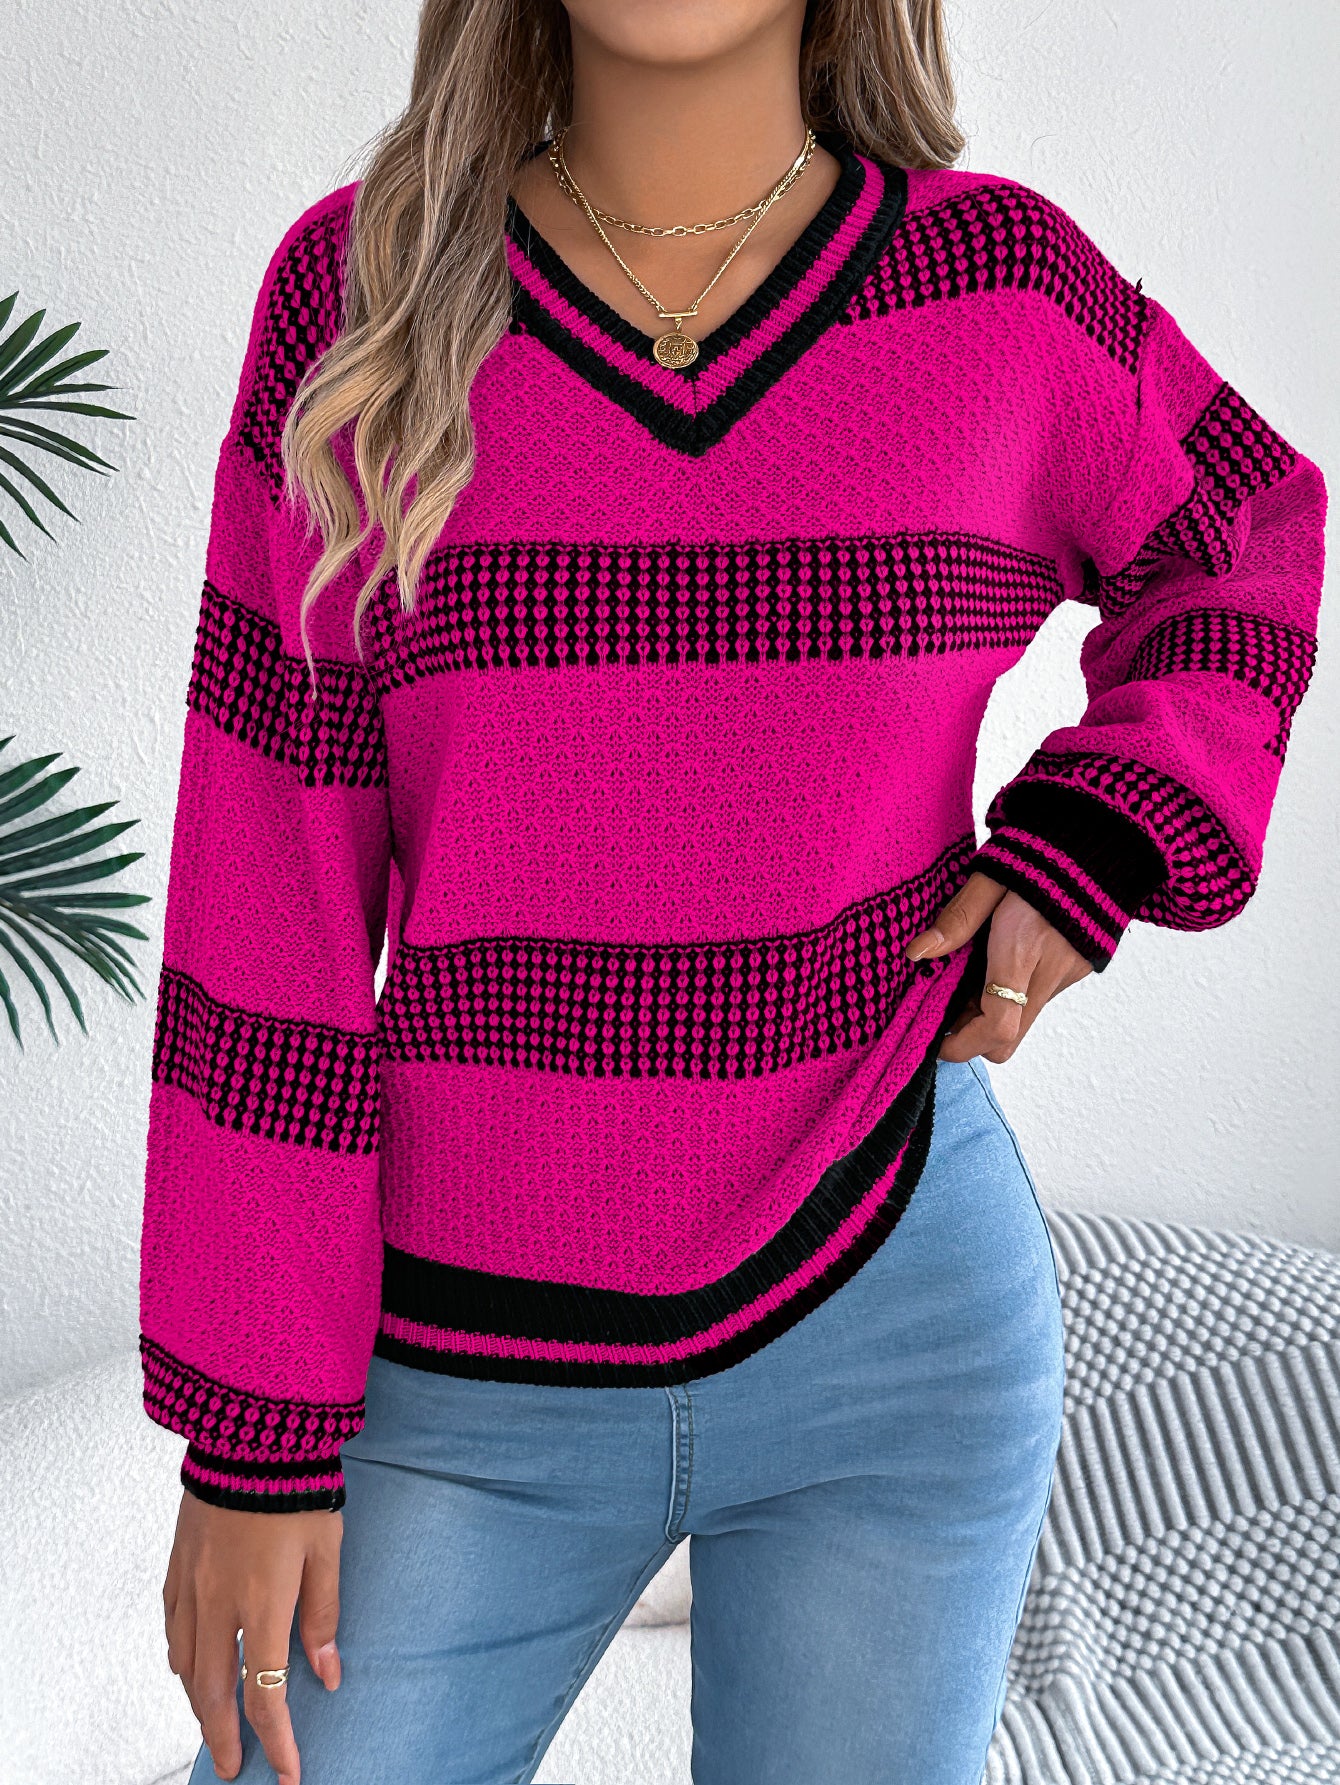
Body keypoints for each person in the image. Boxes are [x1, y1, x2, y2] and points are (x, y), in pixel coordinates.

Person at [141, 2, 1328, 1781]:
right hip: (456, 1364)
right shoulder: (361, 299)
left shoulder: (996, 286)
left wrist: (1091, 845)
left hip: (895, 1322)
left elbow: (1245, 535)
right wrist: (253, 1431)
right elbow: (270, 896)